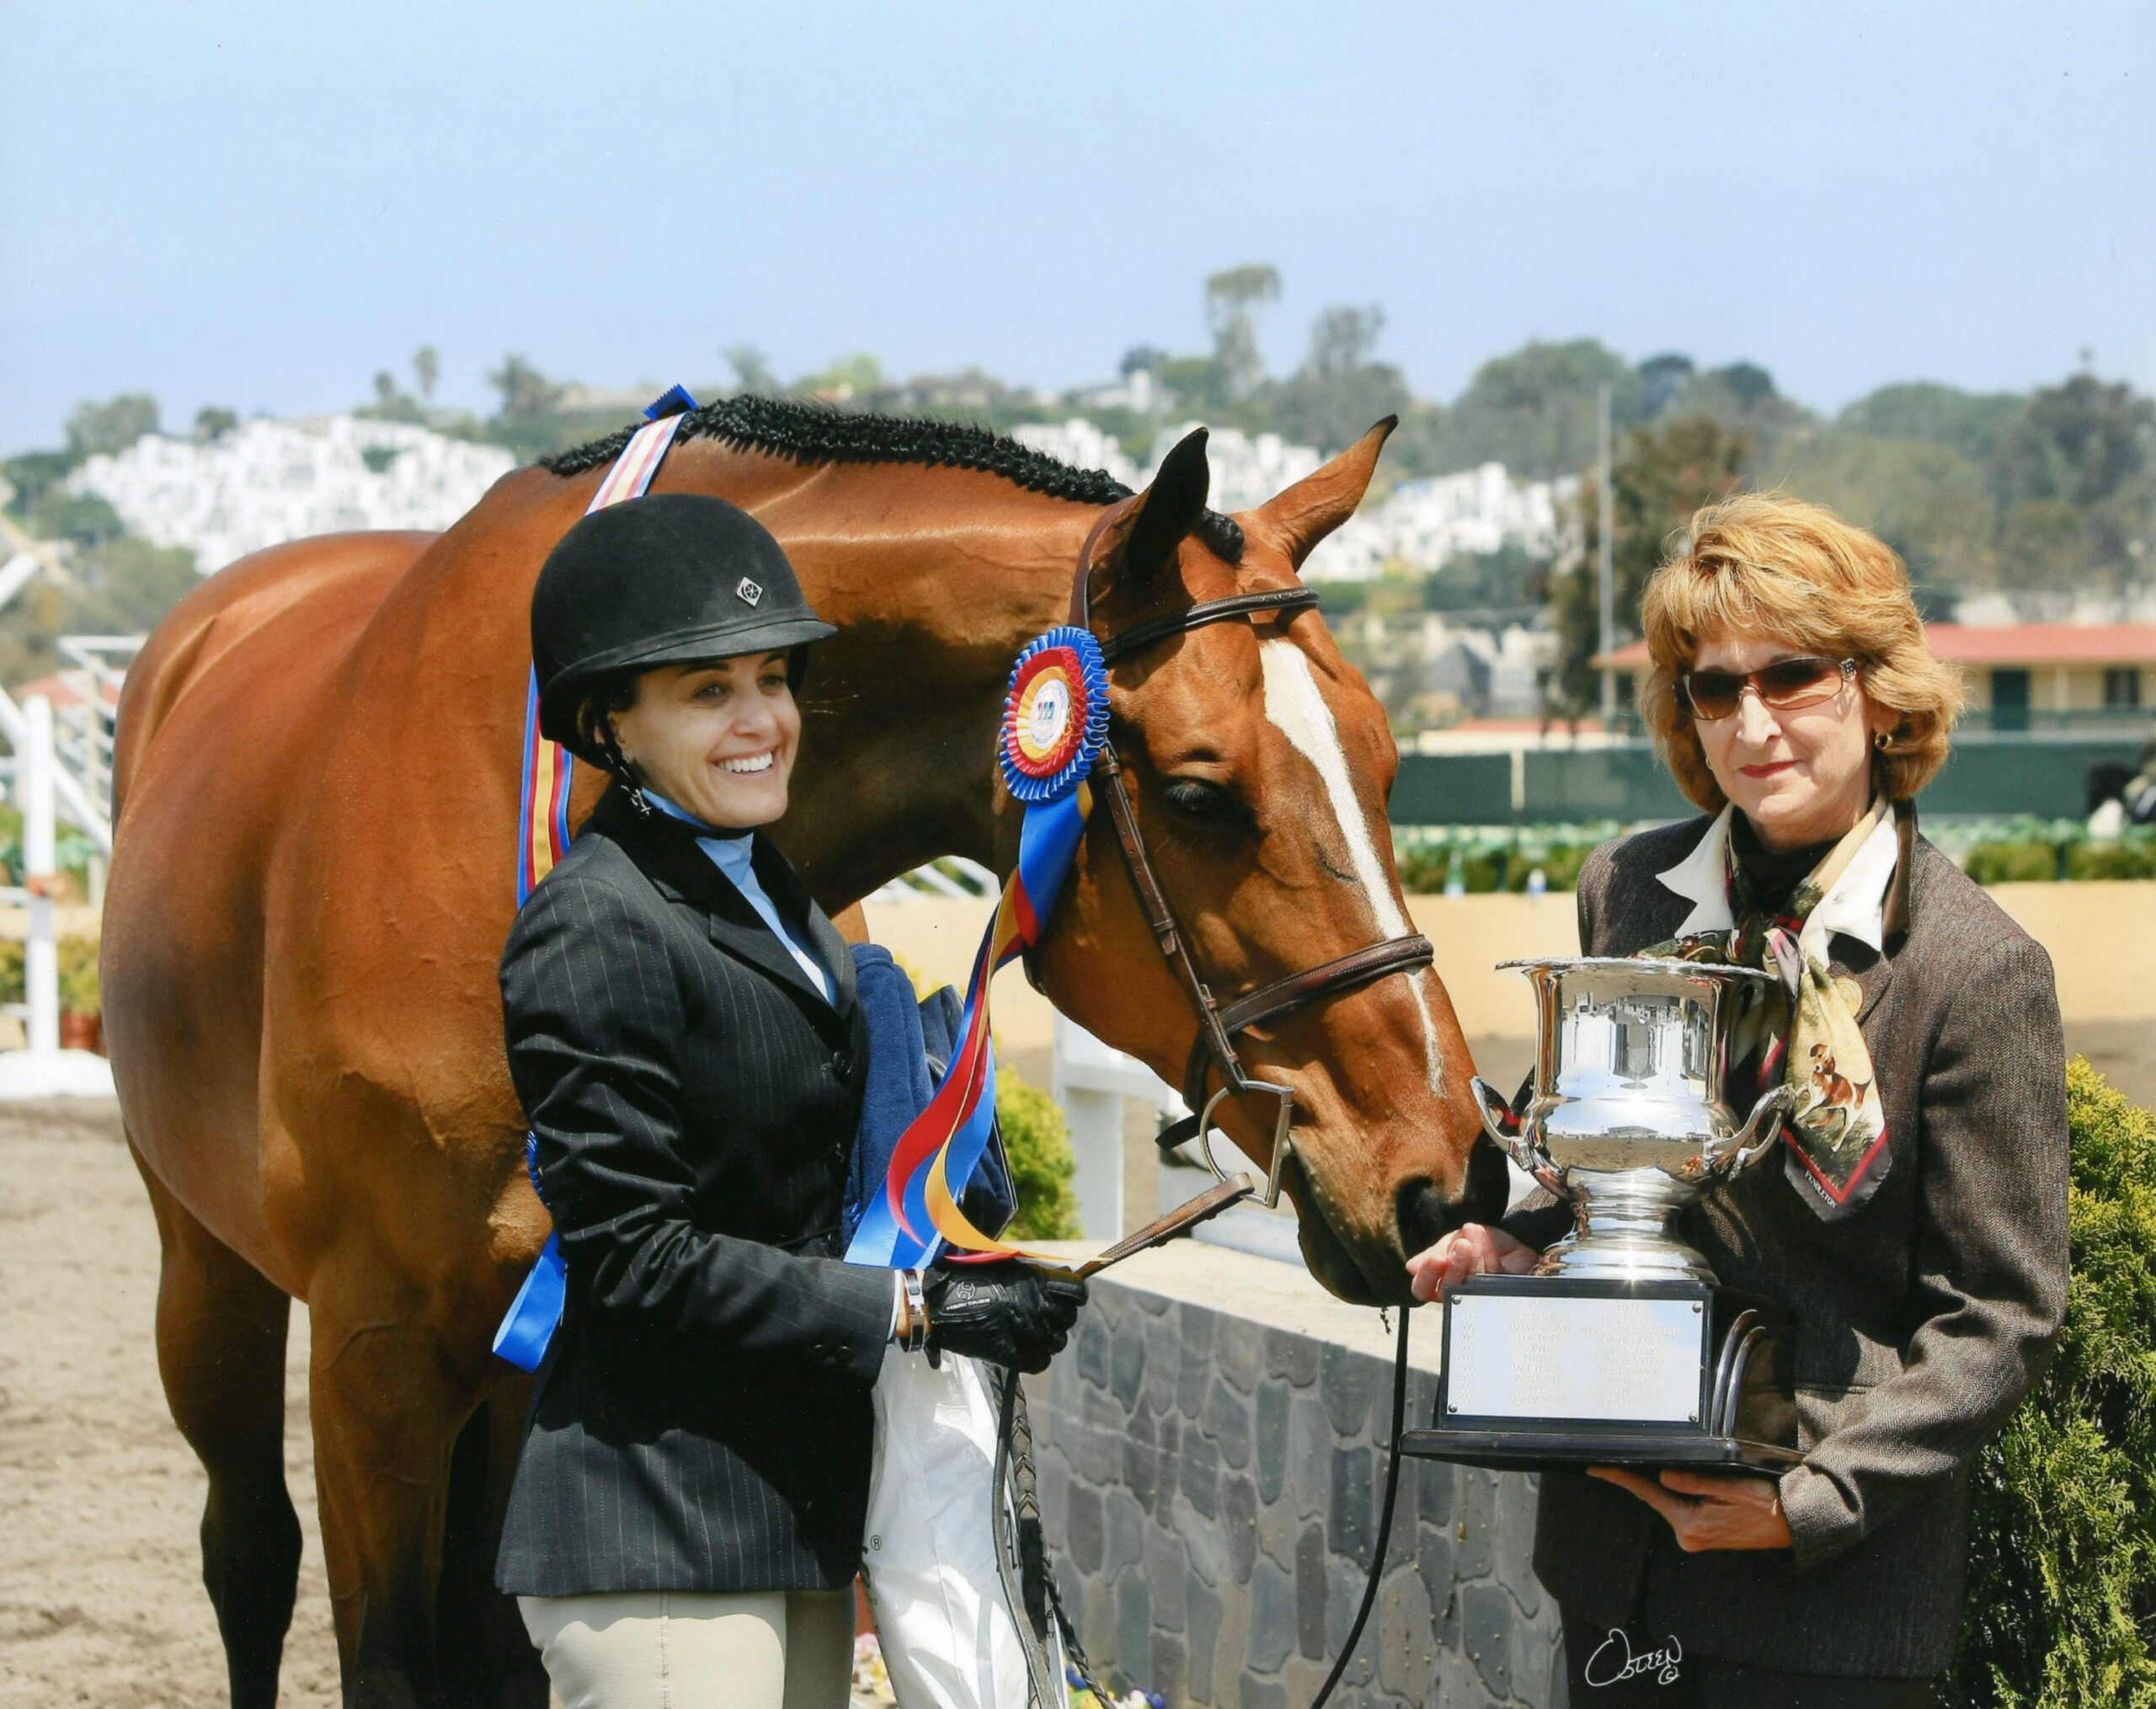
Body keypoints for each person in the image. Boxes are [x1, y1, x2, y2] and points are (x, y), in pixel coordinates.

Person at [1408, 494, 2069, 1706]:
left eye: (1793, 675)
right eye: (1716, 687)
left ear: (1882, 693)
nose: (1752, 723)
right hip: (1615, 1567)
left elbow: (2002, 1314)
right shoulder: (1627, 891)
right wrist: (1520, 1241)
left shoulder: (1977, 968)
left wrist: (1809, 1502)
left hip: (1826, 1602)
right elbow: (1600, 1167)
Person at [494, 494, 1086, 1709]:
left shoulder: (779, 893)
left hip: (792, 1513)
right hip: (658, 1523)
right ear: (611, 721)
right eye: (709, 691)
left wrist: (951, 1212)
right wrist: (913, 1307)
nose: (762, 719)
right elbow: (633, 1256)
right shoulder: (593, 922)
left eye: (773, 678)